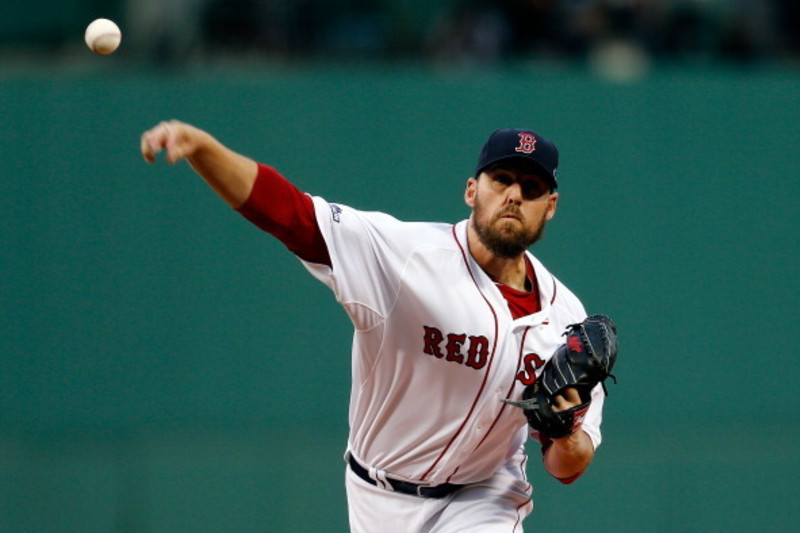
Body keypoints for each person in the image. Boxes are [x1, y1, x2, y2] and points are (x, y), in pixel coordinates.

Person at [140, 122, 607, 532]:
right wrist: (204, 149)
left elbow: (567, 467)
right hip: (377, 495)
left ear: (550, 206)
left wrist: (565, 430)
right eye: (501, 179)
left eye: (531, 187)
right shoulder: (405, 256)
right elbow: (290, 214)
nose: (514, 195)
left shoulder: (566, 319)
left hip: (483, 497)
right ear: (471, 190)